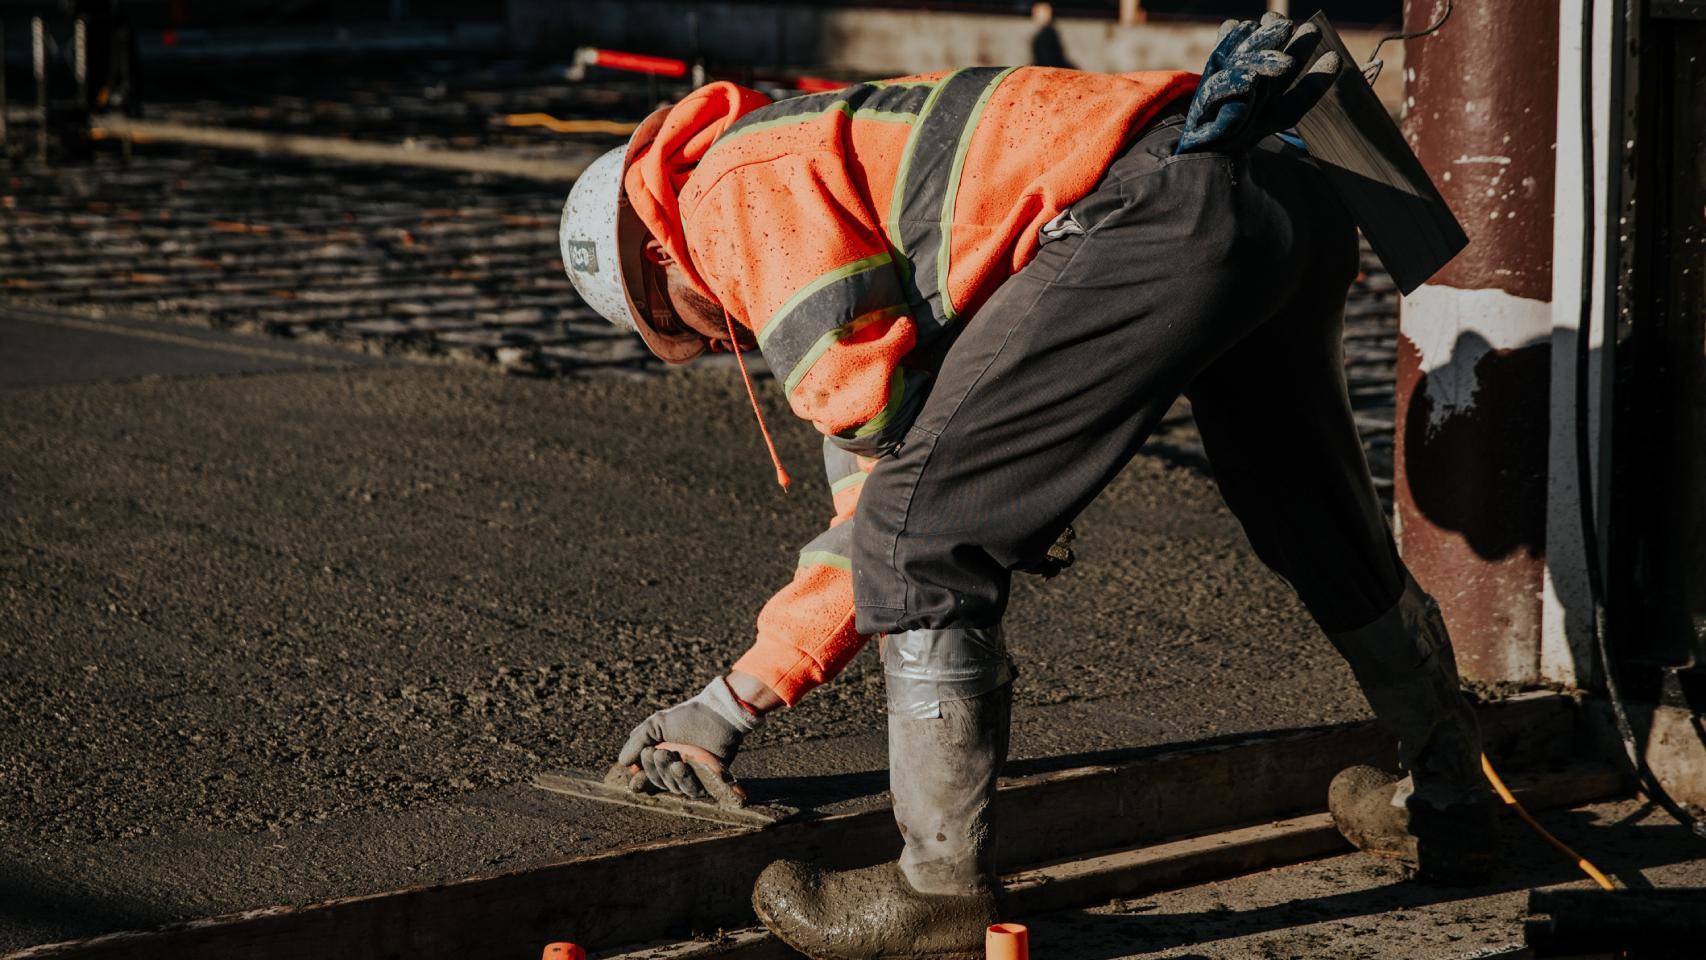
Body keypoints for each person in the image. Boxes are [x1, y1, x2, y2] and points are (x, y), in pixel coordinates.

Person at [558, 15, 1497, 960]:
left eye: (689, 326)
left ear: (659, 258)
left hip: (1162, 205)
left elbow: (891, 509)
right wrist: (740, 695)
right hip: (1276, 182)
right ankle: (1454, 794)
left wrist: (726, 706)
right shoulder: (818, 153)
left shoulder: (732, 201)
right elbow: (891, 468)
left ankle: (937, 891)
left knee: (920, 536)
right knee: (1313, 518)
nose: (726, 340)